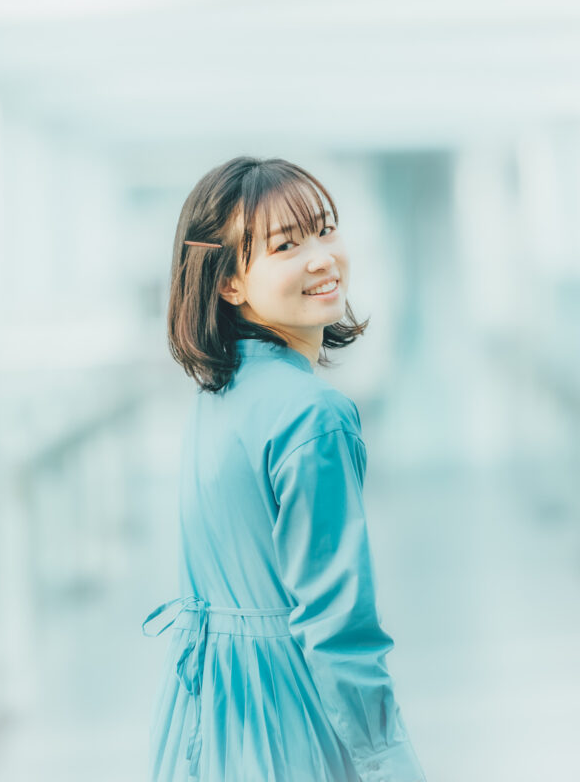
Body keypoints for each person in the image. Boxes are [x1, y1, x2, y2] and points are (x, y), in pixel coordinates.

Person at [142, 155, 428, 782]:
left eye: (325, 230)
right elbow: (338, 625)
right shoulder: (313, 414)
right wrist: (389, 762)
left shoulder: (218, 395)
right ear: (229, 283)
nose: (322, 258)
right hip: (289, 721)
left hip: (208, 717)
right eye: (285, 245)